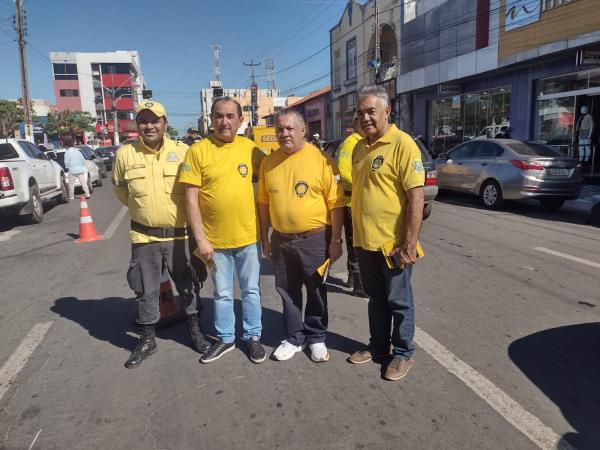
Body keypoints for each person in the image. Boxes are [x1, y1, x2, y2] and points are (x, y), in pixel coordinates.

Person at [112, 101, 210, 369]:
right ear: (137, 124)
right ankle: (147, 339)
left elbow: (195, 190)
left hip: (181, 236)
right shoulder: (125, 155)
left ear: (165, 123)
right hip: (145, 237)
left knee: (189, 285)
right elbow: (121, 190)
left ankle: (194, 331)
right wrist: (144, 211)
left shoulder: (183, 152)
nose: (149, 126)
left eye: (155, 120)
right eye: (143, 121)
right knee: (146, 290)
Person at [347, 86, 425, 382]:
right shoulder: (358, 147)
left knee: (399, 302)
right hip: (365, 241)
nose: (365, 117)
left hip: (393, 244)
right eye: (361, 112)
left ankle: (403, 353)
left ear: (387, 112)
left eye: (371, 111)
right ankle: (379, 347)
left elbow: (416, 197)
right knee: (376, 299)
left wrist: (409, 242)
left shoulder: (403, 144)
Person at [181, 96, 266, 364]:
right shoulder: (198, 151)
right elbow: (190, 198)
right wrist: (201, 239)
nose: (224, 121)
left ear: (241, 121)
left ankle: (252, 336)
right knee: (223, 292)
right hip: (215, 242)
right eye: (219, 116)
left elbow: (274, 173)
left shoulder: (250, 149)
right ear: (211, 119)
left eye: (230, 116)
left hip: (248, 238)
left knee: (251, 290)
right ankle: (226, 338)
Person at [257, 109, 344, 363]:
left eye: (289, 128)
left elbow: (336, 204)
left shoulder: (322, 160)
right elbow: (263, 203)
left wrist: (335, 241)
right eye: (279, 129)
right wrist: (265, 237)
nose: (284, 134)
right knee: (286, 290)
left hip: (315, 238)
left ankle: (316, 336)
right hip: (281, 239)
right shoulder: (268, 163)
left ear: (303, 130)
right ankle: (295, 337)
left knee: (316, 288)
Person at [336, 115, 367, 297]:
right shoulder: (351, 143)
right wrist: (365, 186)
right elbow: (344, 173)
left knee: (359, 242)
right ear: (355, 124)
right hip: (351, 201)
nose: (364, 123)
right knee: (355, 243)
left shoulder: (365, 142)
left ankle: (352, 277)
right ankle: (358, 284)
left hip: (361, 201)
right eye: (359, 121)